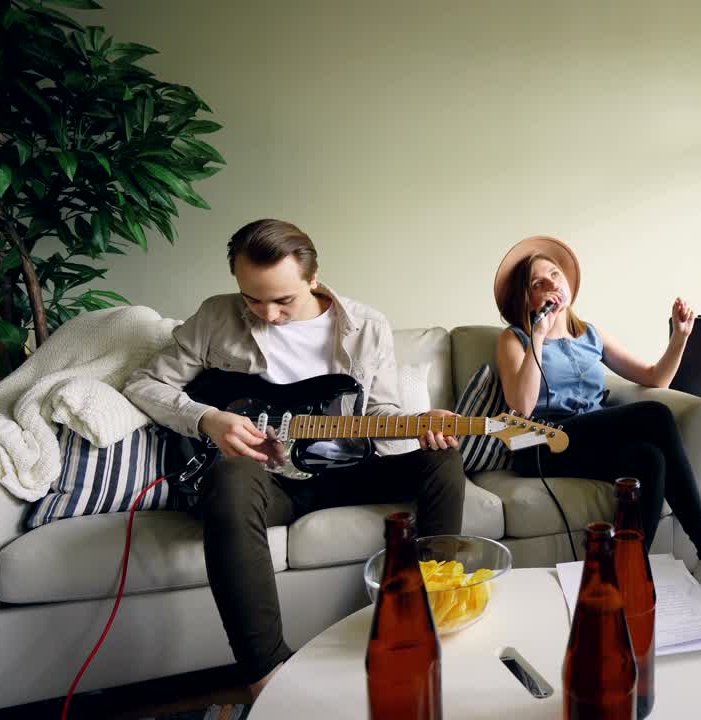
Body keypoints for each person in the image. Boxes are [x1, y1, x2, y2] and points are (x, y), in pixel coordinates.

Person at [124, 219, 467, 698]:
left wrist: (421, 420)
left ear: (313, 277)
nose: (268, 313)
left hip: (348, 469)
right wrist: (208, 419)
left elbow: (380, 411)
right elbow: (145, 382)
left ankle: (428, 613)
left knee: (444, 460)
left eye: (282, 300)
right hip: (270, 482)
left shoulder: (366, 325)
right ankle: (264, 672)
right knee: (231, 475)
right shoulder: (215, 317)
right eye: (252, 299)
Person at [493, 235, 701, 621]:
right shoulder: (513, 339)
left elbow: (654, 378)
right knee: (654, 416)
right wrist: (538, 339)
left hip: (587, 439)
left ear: (568, 285)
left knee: (648, 461)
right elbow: (521, 405)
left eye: (554, 275)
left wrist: (680, 337)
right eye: (537, 284)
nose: (550, 286)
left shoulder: (591, 335)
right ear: (525, 299)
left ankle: (624, 578)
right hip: (540, 443)